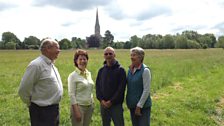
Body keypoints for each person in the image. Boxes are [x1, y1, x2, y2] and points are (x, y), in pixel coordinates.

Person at [18, 38, 63, 126]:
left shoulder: (51, 64)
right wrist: (31, 104)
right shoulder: (36, 65)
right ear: (47, 49)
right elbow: (23, 89)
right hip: (41, 112)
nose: (59, 50)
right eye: (57, 48)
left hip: (53, 110)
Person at [96, 46, 126, 126]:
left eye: (110, 53)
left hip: (116, 105)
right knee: (105, 124)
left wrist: (111, 101)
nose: (108, 55)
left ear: (114, 55)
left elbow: (121, 89)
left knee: (119, 124)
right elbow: (98, 86)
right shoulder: (101, 70)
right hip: (103, 105)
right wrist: (101, 100)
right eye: (106, 54)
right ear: (104, 56)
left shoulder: (120, 70)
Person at [126, 47, 152, 126]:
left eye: (134, 55)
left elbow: (146, 90)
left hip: (143, 106)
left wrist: (139, 106)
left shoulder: (145, 70)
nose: (131, 57)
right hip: (132, 105)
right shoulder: (130, 70)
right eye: (131, 55)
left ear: (140, 57)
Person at [68, 49, 94, 126]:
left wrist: (92, 102)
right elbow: (71, 95)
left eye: (84, 59)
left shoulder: (88, 73)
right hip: (79, 107)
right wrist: (76, 111)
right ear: (76, 61)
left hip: (89, 107)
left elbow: (90, 88)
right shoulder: (72, 76)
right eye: (80, 59)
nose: (83, 61)